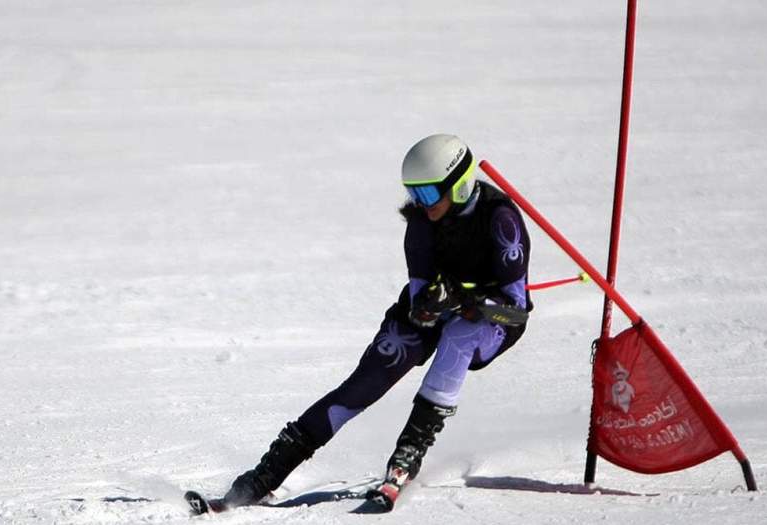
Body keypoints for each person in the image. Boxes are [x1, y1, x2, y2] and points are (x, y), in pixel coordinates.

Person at [219, 133, 532, 508]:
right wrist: (431, 303)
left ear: (460, 186)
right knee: (364, 384)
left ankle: (407, 456)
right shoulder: (420, 223)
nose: (422, 204)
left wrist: (467, 300)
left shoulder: (501, 221)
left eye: (430, 194)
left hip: (492, 322)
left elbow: (515, 310)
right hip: (442, 309)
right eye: (415, 194)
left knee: (461, 336)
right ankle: (264, 476)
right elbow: (419, 303)